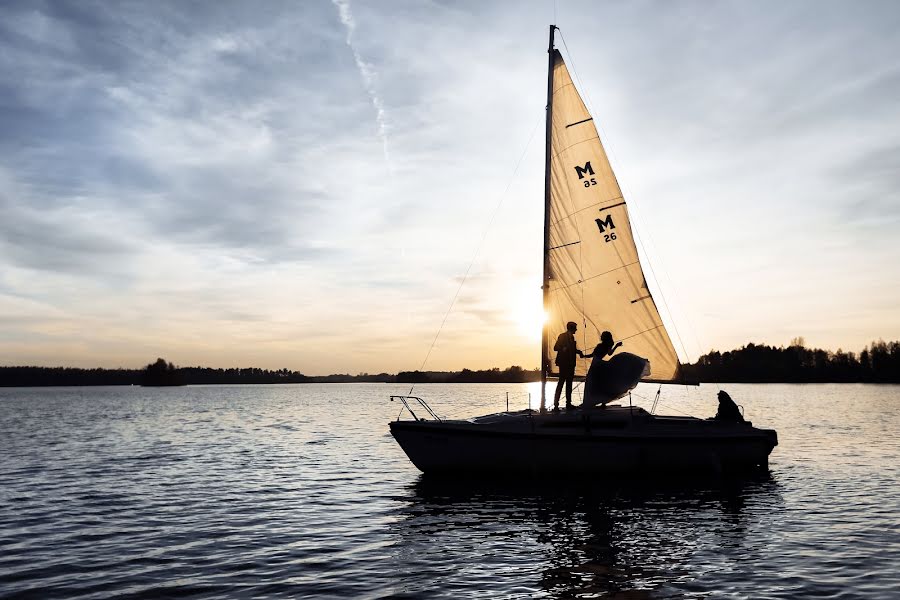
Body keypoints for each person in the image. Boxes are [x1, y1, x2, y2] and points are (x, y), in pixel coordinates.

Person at [552, 321, 583, 411]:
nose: (576, 330)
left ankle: (568, 404)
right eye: (575, 328)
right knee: (561, 383)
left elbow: (572, 349)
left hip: (571, 364)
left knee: (569, 384)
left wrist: (579, 352)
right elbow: (555, 347)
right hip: (564, 364)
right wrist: (563, 348)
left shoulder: (572, 337)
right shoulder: (562, 336)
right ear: (571, 328)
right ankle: (556, 405)